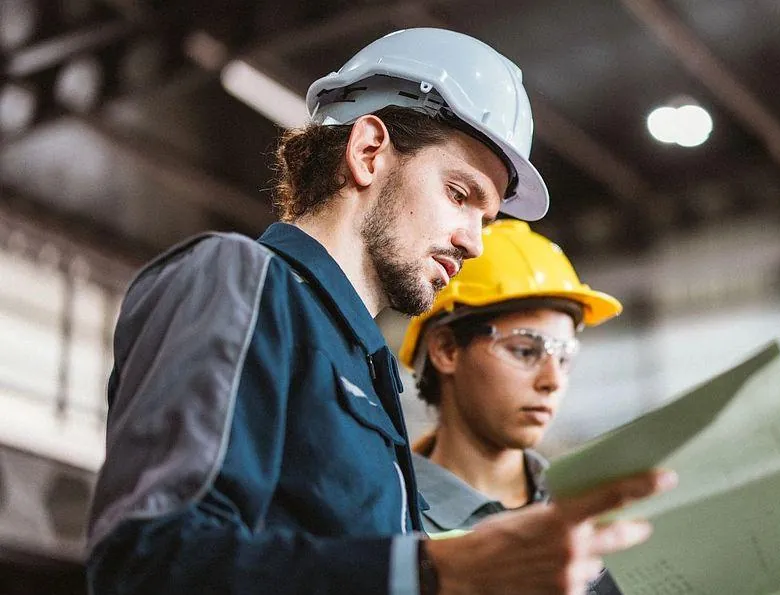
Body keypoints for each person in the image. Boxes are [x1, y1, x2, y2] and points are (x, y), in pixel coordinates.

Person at [84, 27, 673, 595]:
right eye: (460, 194)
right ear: (369, 152)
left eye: (487, 219)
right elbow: (150, 562)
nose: (473, 241)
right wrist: (438, 572)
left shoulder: (366, 365)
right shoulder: (239, 280)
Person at [397, 219, 624, 593]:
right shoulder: (386, 517)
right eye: (525, 350)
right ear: (446, 349)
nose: (552, 380)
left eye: (564, 358)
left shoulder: (591, 513)